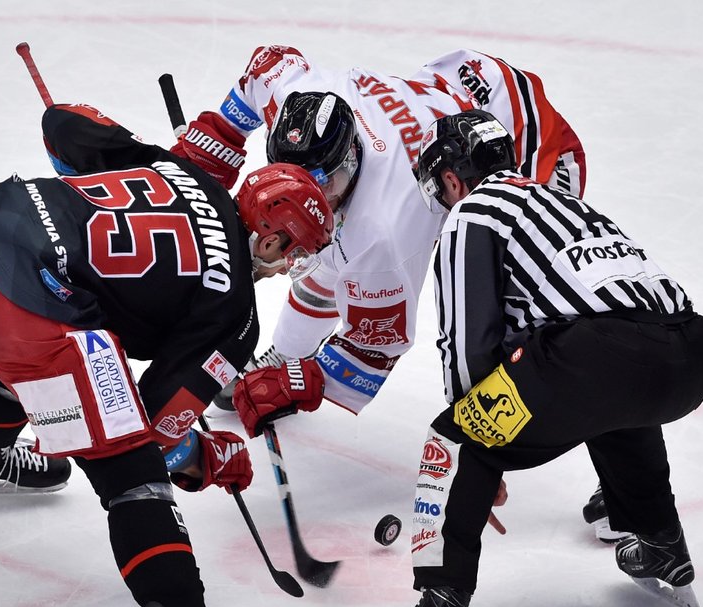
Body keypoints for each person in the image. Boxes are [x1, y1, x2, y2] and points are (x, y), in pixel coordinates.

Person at [0, 102, 333, 607]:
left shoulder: (180, 170)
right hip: (19, 306)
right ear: (269, 236)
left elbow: (65, 125)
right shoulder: (234, 314)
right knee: (132, 475)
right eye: (294, 251)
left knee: (27, 371)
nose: (289, 266)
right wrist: (206, 457)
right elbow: (156, 433)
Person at [358, 111, 703, 607]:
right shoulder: (565, 204)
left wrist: (481, 442)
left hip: (601, 358)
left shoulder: (474, 212)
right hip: (694, 355)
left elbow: (466, 340)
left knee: (454, 436)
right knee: (615, 401)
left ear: (453, 178)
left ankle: (437, 606)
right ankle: (659, 542)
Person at [167, 46, 584, 425]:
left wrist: (296, 385)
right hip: (457, 88)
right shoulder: (299, 99)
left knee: (545, 302)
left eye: (321, 185)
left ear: (349, 156)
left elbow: (375, 345)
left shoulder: (387, 229)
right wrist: (208, 149)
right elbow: (268, 65)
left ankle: (618, 432)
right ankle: (290, 353)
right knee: (331, 255)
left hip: (529, 143)